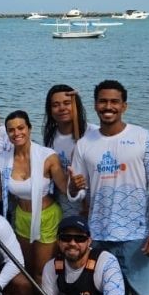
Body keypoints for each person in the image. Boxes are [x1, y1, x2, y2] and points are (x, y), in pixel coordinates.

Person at [66, 81, 149, 295]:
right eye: (102, 101)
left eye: (114, 102)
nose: (108, 107)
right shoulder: (85, 144)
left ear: (124, 105)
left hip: (137, 236)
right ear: (95, 104)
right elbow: (79, 194)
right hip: (98, 236)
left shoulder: (144, 138)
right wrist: (75, 187)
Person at [1, 110, 75, 295]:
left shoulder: (47, 156)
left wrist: (77, 184)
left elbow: (65, 189)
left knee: (42, 275)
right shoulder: (3, 159)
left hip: (46, 217)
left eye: (21, 128)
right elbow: (1, 195)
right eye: (11, 129)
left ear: (29, 128)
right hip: (21, 218)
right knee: (25, 273)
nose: (16, 133)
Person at [42, 84, 86, 214]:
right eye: (55, 105)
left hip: (87, 206)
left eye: (67, 103)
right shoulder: (50, 136)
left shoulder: (92, 134)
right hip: (61, 205)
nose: (62, 108)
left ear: (76, 105)